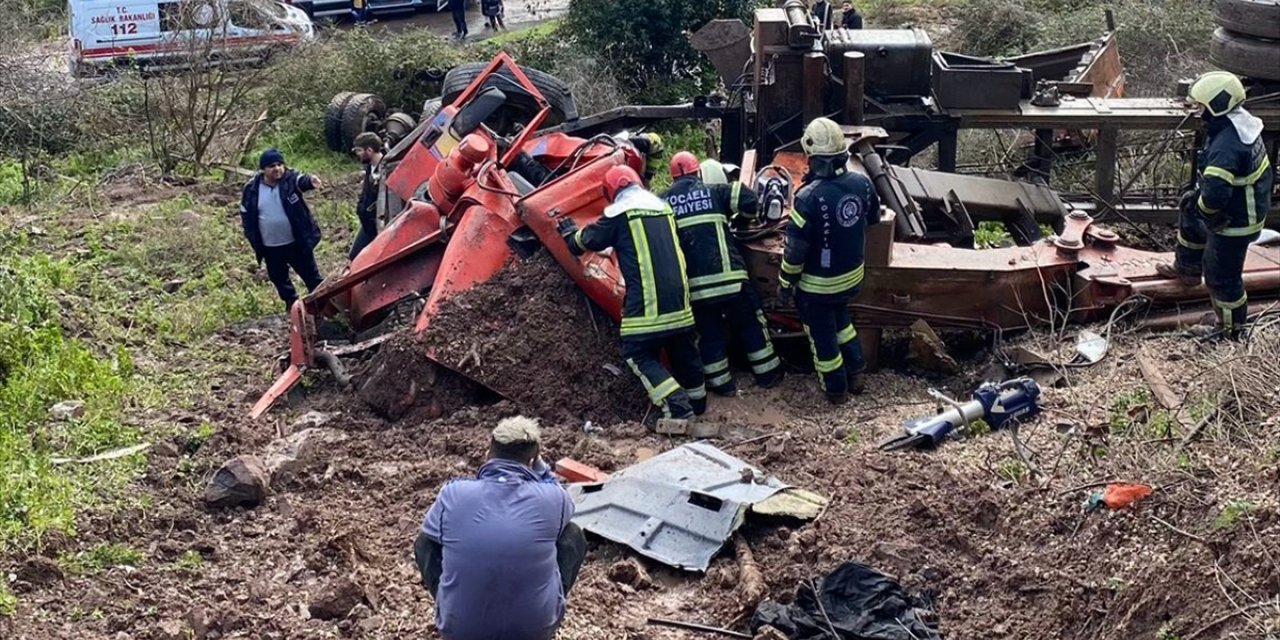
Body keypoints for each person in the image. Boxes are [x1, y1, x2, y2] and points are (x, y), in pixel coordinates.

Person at [414, 416, 587, 640]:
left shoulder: (453, 493)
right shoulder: (554, 498)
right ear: (532, 462)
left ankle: (450, 606)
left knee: (426, 541)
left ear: (488, 456)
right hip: (533, 631)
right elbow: (556, 490)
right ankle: (547, 609)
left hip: (461, 630)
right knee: (571, 534)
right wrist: (542, 469)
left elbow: (427, 546)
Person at [559, 165, 707, 420]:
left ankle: (678, 408)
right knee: (684, 351)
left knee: (636, 353)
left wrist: (570, 233)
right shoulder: (663, 208)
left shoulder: (620, 213)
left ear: (611, 191)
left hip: (649, 305)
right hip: (681, 304)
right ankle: (698, 403)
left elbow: (585, 242)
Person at [1156, 71, 1272, 338]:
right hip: (1236, 206)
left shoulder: (1226, 146)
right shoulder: (1238, 124)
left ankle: (1230, 329)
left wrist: (1206, 211)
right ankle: (1187, 269)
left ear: (1215, 106)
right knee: (1190, 208)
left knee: (1223, 279)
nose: (1197, 111)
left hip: (1235, 220)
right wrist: (1198, 206)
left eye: (1201, 106)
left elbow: (1216, 194)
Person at [661, 151, 784, 396]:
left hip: (694, 288)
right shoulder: (715, 191)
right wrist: (742, 217)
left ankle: (722, 385)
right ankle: (768, 376)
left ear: (672, 177)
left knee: (709, 336)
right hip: (730, 280)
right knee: (751, 324)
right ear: (698, 173)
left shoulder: (662, 202)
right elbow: (747, 199)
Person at [777, 117, 881, 404]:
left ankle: (835, 391)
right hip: (851, 278)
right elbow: (873, 219)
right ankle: (857, 372)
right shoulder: (862, 183)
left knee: (822, 338)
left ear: (811, 156)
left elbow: (795, 252)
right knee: (842, 322)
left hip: (817, 287)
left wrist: (785, 285)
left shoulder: (808, 197)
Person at [239, 148, 326, 314]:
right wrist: (252, 237)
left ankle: (322, 306)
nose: (277, 168)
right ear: (263, 169)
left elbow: (301, 180)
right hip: (270, 246)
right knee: (279, 279)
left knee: (312, 277)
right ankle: (292, 307)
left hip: (296, 242)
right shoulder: (251, 189)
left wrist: (311, 181)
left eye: (280, 164)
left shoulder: (290, 180)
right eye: (272, 166)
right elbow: (246, 215)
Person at [348, 132, 384, 261]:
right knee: (355, 255)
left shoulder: (387, 169)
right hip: (367, 223)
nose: (357, 154)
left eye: (359, 150)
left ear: (369, 150)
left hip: (379, 225)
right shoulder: (370, 167)